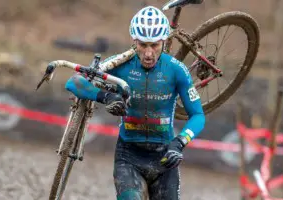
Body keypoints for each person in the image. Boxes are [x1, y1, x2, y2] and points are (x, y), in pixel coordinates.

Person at [65, 5, 205, 200]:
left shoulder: (176, 70)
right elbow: (74, 81)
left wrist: (180, 142)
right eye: (143, 45)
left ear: (164, 41)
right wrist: (107, 97)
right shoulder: (119, 65)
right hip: (129, 156)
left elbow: (197, 115)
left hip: (165, 157)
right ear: (134, 41)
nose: (148, 53)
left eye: (154, 45)